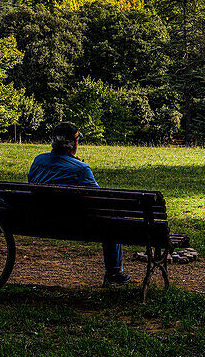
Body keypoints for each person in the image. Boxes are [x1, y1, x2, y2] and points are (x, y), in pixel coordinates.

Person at [28, 122, 131, 285]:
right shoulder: (81, 170)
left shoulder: (39, 161)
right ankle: (114, 273)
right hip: (75, 224)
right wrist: (78, 164)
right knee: (111, 221)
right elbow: (100, 198)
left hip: (38, 220)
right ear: (74, 144)